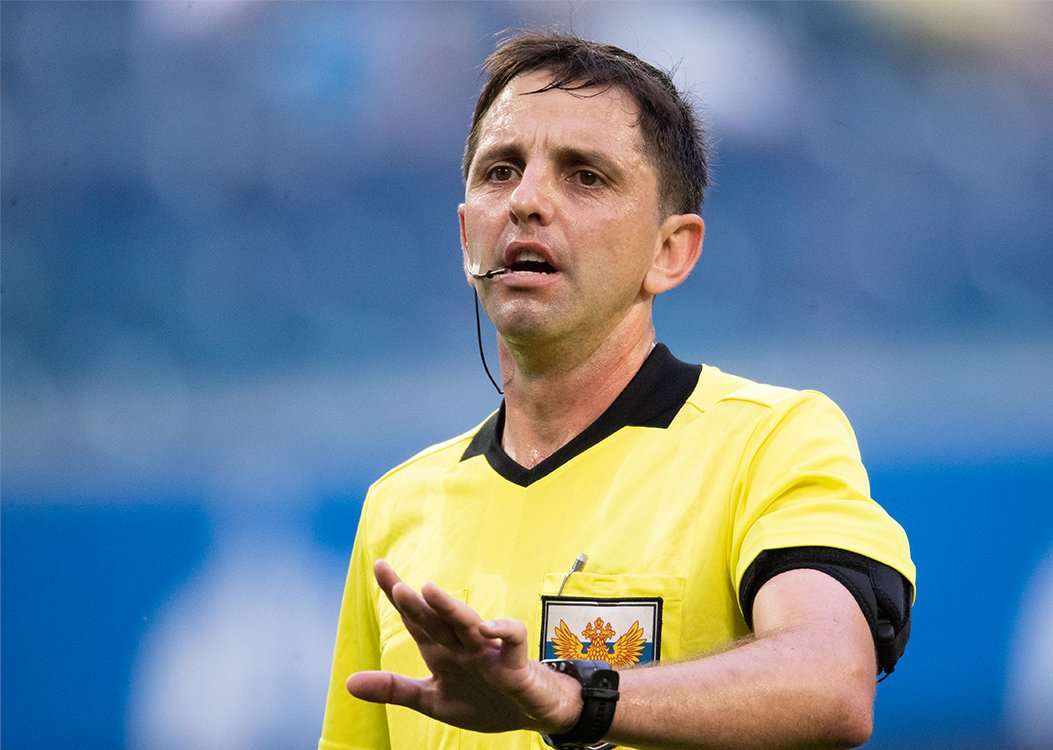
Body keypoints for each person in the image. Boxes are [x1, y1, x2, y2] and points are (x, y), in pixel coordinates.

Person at [320, 29, 915, 750]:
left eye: (585, 176)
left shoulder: (768, 442)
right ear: (466, 234)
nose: (527, 201)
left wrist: (576, 700)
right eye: (501, 171)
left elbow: (831, 681)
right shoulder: (396, 509)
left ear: (670, 251)